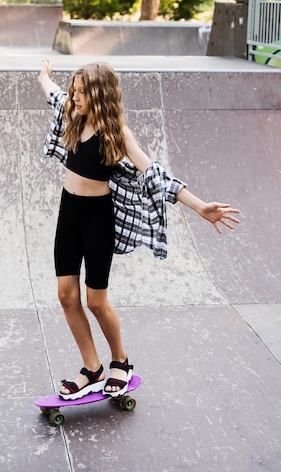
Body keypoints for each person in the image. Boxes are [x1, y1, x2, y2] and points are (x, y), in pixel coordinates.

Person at [38, 58, 240, 401]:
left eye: (82, 91)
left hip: (97, 219)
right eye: (74, 89)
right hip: (68, 214)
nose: (75, 95)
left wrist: (200, 206)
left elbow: (155, 173)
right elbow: (53, 93)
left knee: (96, 301)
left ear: (100, 96)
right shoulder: (71, 113)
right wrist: (43, 75)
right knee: (66, 295)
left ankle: (121, 361)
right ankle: (92, 369)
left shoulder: (117, 135)